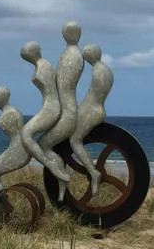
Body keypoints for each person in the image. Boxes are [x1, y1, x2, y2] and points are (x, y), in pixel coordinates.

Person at [38, 21, 85, 201]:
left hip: (67, 113)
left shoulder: (71, 56)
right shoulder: (72, 54)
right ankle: (61, 184)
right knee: (46, 145)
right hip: (67, 110)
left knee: (43, 145)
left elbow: (63, 88)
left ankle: (62, 179)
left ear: (64, 34)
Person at [20, 41, 71, 186]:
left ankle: (51, 166)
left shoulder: (43, 67)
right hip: (50, 106)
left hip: (51, 108)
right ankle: (58, 173)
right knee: (42, 144)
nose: (27, 59)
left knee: (26, 135)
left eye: (26, 56)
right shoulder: (44, 65)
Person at [69, 44, 114, 196]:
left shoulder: (97, 71)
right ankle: (92, 168)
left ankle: (93, 172)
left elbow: (91, 96)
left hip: (91, 111)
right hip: (100, 109)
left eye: (85, 56)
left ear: (89, 57)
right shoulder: (107, 70)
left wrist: (77, 111)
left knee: (74, 140)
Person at [0, 86, 31, 220]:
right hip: (20, 147)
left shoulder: (7, 114)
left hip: (17, 150)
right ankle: (3, 204)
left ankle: (5, 205)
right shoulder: (15, 111)